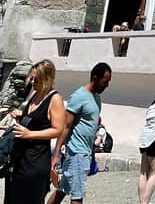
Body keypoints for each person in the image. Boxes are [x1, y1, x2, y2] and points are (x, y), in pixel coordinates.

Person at [47, 62, 112, 204]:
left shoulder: (96, 98)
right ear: (95, 78)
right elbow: (66, 126)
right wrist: (56, 155)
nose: (107, 85)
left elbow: (91, 126)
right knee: (77, 196)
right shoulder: (78, 96)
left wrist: (92, 152)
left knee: (63, 189)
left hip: (85, 152)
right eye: (105, 81)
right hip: (76, 153)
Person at [5, 59, 65, 204]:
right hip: (20, 159)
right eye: (31, 79)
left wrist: (29, 134)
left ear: (47, 79)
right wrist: (20, 115)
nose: (32, 82)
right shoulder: (35, 94)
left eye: (36, 79)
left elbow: (58, 130)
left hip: (36, 160)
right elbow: (35, 120)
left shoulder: (54, 99)